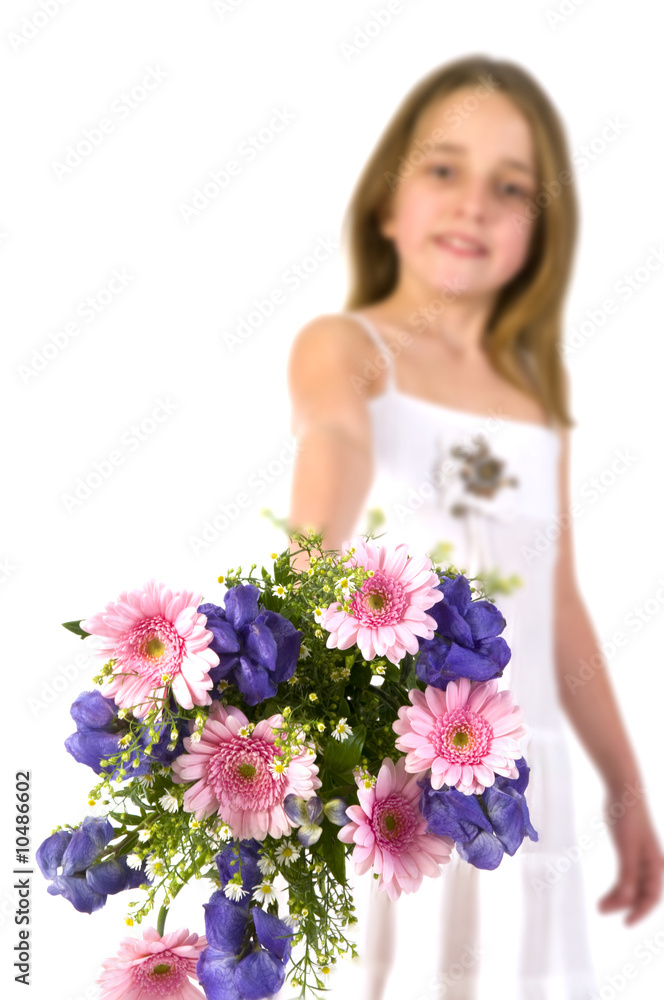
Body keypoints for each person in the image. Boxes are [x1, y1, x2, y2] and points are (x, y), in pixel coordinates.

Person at [284, 55, 664, 1000]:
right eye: (444, 168)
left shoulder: (534, 405)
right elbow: (336, 439)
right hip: (403, 771)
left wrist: (625, 784)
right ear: (385, 202)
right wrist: (294, 595)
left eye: (511, 187)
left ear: (542, 232)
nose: (475, 205)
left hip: (523, 780)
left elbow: (557, 599)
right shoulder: (350, 347)